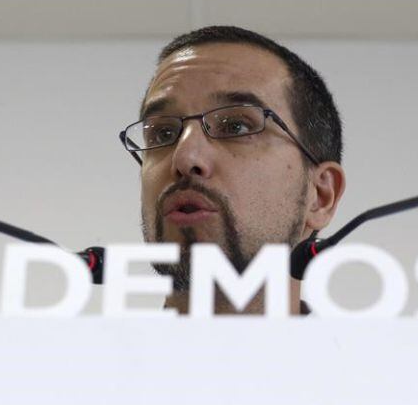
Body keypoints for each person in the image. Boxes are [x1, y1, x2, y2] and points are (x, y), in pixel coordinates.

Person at [119, 26, 346, 315]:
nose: (185, 157)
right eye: (163, 133)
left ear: (321, 196)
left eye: (236, 126)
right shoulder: (73, 359)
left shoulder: (384, 360)